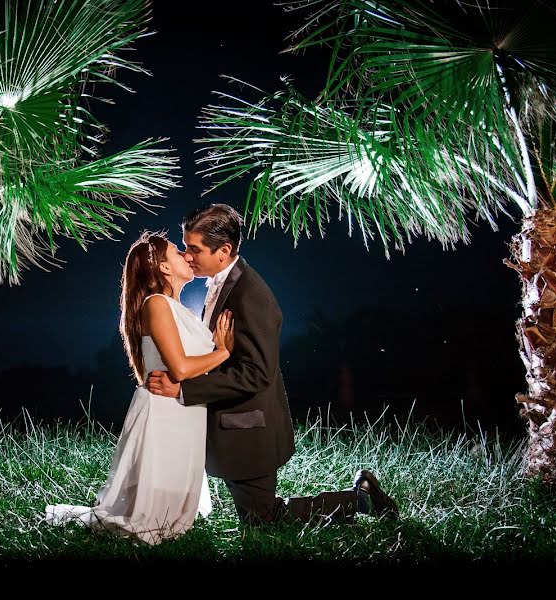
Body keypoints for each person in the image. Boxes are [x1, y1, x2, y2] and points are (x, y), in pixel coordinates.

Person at [147, 204, 398, 526]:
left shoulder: (249, 295)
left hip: (249, 428)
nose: (186, 256)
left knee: (264, 518)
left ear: (223, 250)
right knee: (261, 516)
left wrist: (184, 390)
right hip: (233, 427)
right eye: (185, 247)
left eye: (194, 249)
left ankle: (361, 499)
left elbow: (256, 373)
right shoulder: (224, 285)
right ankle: (359, 497)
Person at [45, 231, 234, 545]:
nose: (188, 256)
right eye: (178, 252)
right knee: (151, 521)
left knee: (173, 517)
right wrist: (222, 351)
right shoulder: (157, 304)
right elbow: (181, 368)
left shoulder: (182, 310)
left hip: (186, 411)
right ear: (163, 267)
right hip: (164, 412)